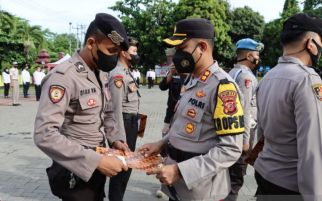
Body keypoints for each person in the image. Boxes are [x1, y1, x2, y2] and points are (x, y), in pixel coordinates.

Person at [140, 18, 244, 201]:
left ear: (202, 47)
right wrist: (162, 143)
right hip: (176, 188)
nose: (176, 55)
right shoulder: (192, 80)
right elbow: (185, 125)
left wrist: (180, 171)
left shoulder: (222, 87)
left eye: (182, 49)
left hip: (200, 191)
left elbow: (231, 149)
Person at [34, 13, 130, 201]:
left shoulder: (100, 73)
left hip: (99, 160)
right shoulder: (63, 77)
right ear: (91, 43)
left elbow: (108, 111)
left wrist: (115, 139)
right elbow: (44, 134)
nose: (114, 58)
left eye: (117, 53)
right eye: (111, 51)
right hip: (75, 168)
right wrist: (97, 161)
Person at [254, 13, 322, 201]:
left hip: (265, 172)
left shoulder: (268, 77)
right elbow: (312, 149)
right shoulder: (307, 79)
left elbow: (262, 132)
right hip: (290, 185)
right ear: (311, 42)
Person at [224, 38, 264, 201]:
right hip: (241, 134)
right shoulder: (246, 77)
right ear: (249, 55)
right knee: (235, 180)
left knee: (227, 178)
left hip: (229, 130)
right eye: (256, 54)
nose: (258, 58)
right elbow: (245, 110)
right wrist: (246, 141)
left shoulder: (232, 72)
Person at [107, 37, 140, 201]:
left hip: (131, 123)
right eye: (134, 51)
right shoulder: (118, 75)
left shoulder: (127, 72)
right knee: (121, 169)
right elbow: (115, 110)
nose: (136, 54)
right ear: (123, 52)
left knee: (126, 168)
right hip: (124, 125)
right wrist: (119, 137)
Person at [156, 48, 186, 199]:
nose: (171, 62)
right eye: (169, 59)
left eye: (172, 58)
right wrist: (170, 74)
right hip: (170, 116)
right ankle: (164, 183)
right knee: (165, 151)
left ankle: (174, 179)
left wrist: (181, 74)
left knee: (176, 149)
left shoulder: (187, 73)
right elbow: (162, 87)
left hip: (183, 119)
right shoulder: (172, 72)